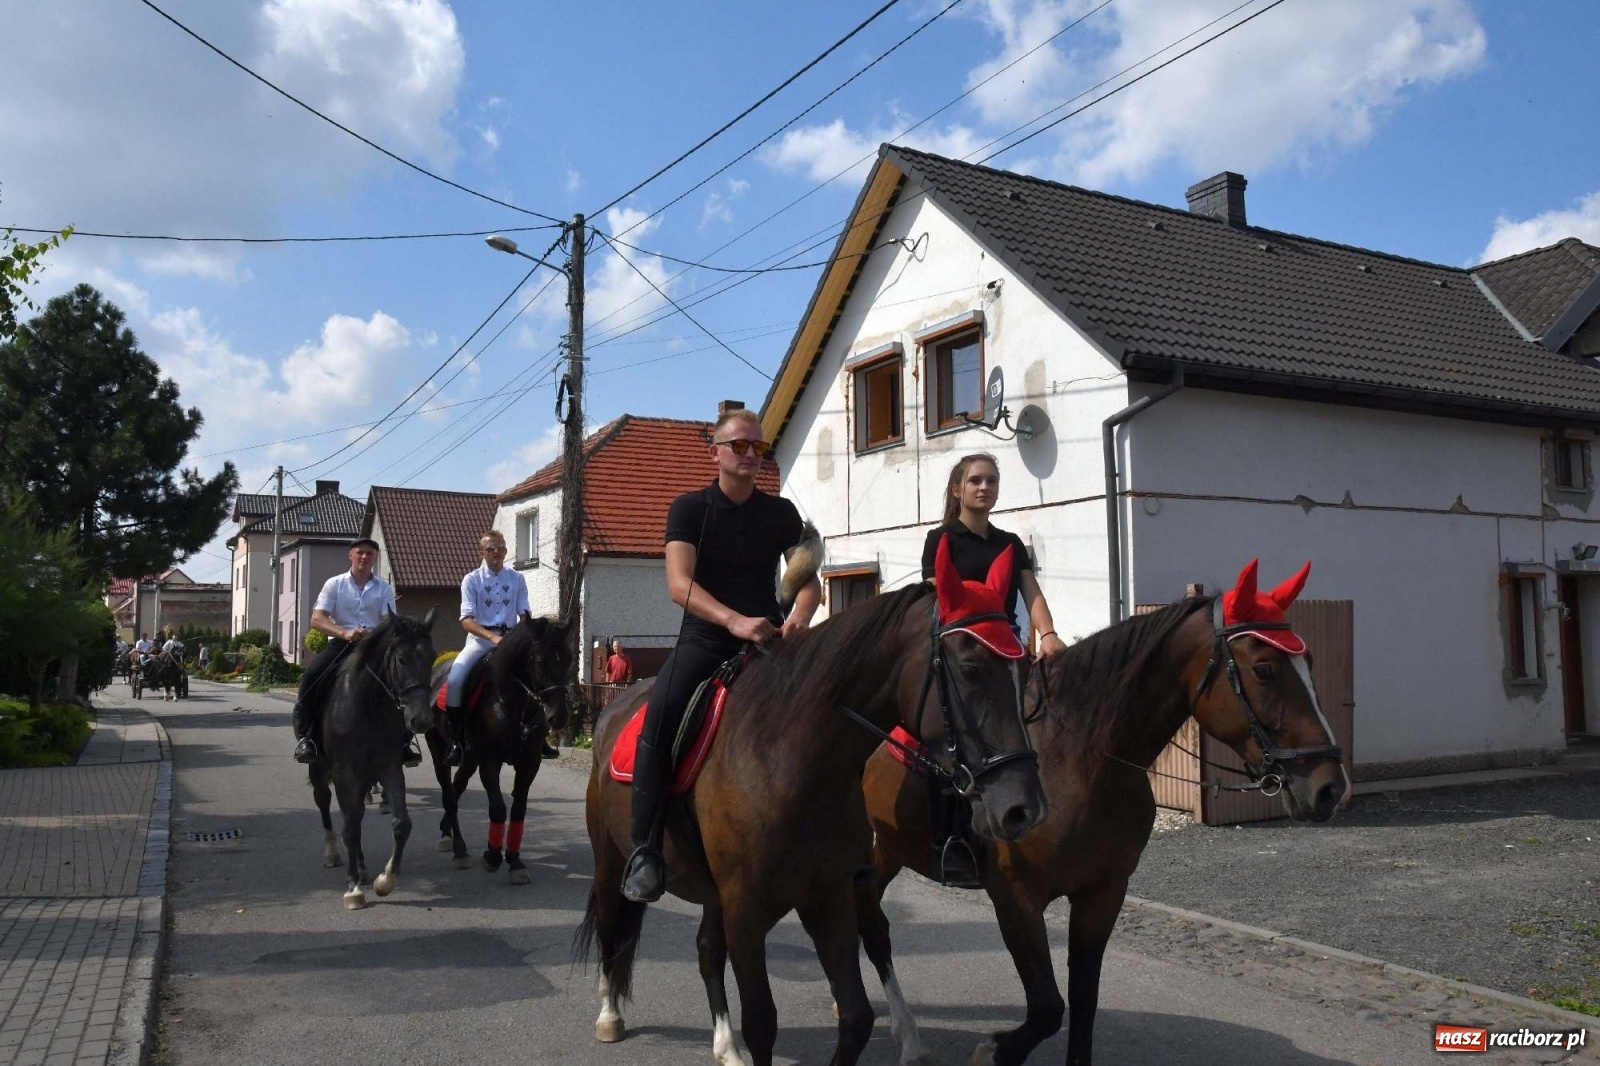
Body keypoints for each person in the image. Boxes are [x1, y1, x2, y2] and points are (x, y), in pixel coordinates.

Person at [621, 408, 821, 903]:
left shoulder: (781, 514)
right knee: (660, 719)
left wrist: (799, 619)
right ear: (715, 453)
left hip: (770, 642)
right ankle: (645, 850)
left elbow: (807, 584)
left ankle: (842, 842)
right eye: (739, 446)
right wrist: (734, 621)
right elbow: (678, 585)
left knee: (829, 711)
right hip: (706, 640)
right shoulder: (689, 509)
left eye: (758, 445)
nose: (751, 454)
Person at [919, 452, 1066, 886]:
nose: (985, 488)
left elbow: (1031, 592)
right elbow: (936, 596)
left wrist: (1050, 633)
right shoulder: (940, 537)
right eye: (977, 481)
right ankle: (948, 841)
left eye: (992, 481)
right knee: (940, 743)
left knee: (1041, 728)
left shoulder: (1009, 543)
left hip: (1005, 652)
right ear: (957, 489)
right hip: (959, 653)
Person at [291, 538, 404, 765]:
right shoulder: (335, 584)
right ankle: (306, 737)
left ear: (375, 557)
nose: (364, 557)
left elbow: (389, 621)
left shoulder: (383, 588)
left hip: (374, 648)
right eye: (360, 553)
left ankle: (405, 742)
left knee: (403, 681)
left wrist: (373, 636)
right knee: (312, 675)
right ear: (350, 555)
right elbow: (317, 618)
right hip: (342, 645)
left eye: (369, 554)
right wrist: (344, 633)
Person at [441, 531, 532, 766]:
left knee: (536, 675)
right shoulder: (472, 579)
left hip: (510, 639)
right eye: (491, 549)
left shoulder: (517, 579)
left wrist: (522, 635)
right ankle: (455, 739)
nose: (497, 553)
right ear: (481, 553)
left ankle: (539, 736)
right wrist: (492, 637)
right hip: (480, 639)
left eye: (501, 548)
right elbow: (466, 620)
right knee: (456, 679)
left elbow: (524, 613)